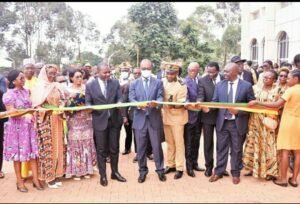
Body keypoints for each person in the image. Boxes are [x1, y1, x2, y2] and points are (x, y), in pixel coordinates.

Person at [248, 69, 300, 188]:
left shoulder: (290, 90)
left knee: (285, 152)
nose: (287, 80)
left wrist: (258, 102)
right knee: (298, 153)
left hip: (288, 122)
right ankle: (294, 180)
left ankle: (282, 179)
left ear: (296, 79)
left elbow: (277, 104)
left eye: (289, 78)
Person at [208, 62, 255, 185]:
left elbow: (252, 106)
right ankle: (218, 172)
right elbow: (214, 102)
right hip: (222, 123)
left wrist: (238, 111)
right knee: (221, 148)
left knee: (236, 149)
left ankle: (235, 173)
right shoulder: (219, 85)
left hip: (237, 123)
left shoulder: (247, 86)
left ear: (235, 72)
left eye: (227, 72)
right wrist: (206, 107)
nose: (224, 74)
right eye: (224, 71)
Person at [85, 63, 126, 187]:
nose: (108, 74)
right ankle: (103, 175)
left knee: (114, 149)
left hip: (114, 121)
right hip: (99, 121)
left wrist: (119, 102)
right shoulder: (90, 85)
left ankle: (115, 172)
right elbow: (88, 101)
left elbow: (120, 97)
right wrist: (88, 107)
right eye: (105, 72)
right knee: (101, 150)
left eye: (109, 72)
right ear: (98, 72)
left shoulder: (115, 83)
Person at [3, 70, 43, 192]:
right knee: (18, 156)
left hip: (29, 127)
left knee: (33, 154)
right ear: (13, 81)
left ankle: (36, 180)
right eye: (20, 78)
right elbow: (12, 112)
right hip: (16, 129)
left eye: (23, 77)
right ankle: (19, 182)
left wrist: (35, 109)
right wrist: (26, 114)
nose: (23, 79)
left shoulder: (26, 91)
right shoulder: (8, 95)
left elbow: (30, 106)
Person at [129, 59, 166, 183]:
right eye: (143, 68)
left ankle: (160, 170)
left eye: (148, 68)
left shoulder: (158, 82)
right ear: (140, 69)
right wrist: (139, 105)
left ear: (152, 69)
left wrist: (156, 104)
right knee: (141, 148)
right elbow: (131, 99)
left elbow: (161, 96)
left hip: (154, 119)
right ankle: (142, 172)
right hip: (140, 120)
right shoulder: (134, 84)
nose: (146, 71)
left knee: (157, 147)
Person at [31, 64, 67, 189]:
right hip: (45, 121)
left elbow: (64, 99)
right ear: (45, 73)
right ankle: (48, 177)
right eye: (50, 73)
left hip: (58, 120)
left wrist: (62, 106)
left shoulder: (57, 86)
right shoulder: (40, 86)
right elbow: (35, 105)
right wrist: (45, 111)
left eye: (55, 73)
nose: (52, 75)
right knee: (48, 149)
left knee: (59, 147)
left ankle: (57, 174)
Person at [243, 70, 279, 180]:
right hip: (254, 121)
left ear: (274, 80)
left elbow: (277, 106)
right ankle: (252, 168)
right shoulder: (255, 88)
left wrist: (258, 103)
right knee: (252, 143)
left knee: (268, 146)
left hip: (268, 122)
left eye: (268, 78)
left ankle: (269, 171)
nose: (265, 79)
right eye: (264, 77)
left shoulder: (277, 91)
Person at [65, 69, 96, 181]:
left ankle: (87, 169)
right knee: (75, 144)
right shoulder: (67, 90)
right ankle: (76, 170)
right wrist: (72, 104)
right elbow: (65, 107)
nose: (79, 79)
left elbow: (92, 102)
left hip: (86, 119)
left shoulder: (87, 88)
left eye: (81, 76)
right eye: (77, 77)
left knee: (87, 143)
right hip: (74, 121)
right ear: (71, 78)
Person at [162, 62, 188, 180]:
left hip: (177, 118)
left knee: (178, 144)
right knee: (169, 143)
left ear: (177, 73)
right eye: (168, 73)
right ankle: (170, 164)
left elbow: (182, 104)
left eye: (172, 74)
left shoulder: (181, 85)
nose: (170, 76)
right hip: (166, 117)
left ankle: (179, 167)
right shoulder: (163, 82)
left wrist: (173, 105)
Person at [198, 61, 224, 177]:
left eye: (213, 72)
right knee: (208, 143)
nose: (210, 74)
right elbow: (200, 95)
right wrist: (200, 103)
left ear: (218, 71)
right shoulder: (203, 80)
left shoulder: (225, 78)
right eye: (208, 72)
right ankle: (209, 167)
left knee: (221, 144)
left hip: (222, 116)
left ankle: (220, 168)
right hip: (207, 116)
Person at [183, 62, 205, 178]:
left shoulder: (201, 80)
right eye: (191, 70)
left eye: (195, 70)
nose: (193, 72)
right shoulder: (184, 82)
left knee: (197, 141)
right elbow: (185, 99)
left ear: (198, 70)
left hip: (200, 118)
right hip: (189, 117)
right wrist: (192, 105)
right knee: (189, 143)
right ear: (187, 70)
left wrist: (200, 102)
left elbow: (202, 94)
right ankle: (189, 167)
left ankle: (195, 163)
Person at [22, 63, 38, 179]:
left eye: (32, 68)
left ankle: (36, 171)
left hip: (37, 116)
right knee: (25, 144)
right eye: (28, 68)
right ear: (23, 70)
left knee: (35, 144)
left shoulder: (38, 82)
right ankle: (24, 172)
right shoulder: (21, 82)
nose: (30, 70)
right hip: (23, 118)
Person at [119, 62, 134, 155]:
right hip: (117, 111)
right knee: (118, 132)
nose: (124, 72)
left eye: (126, 70)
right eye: (122, 70)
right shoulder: (117, 81)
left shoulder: (131, 82)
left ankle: (128, 148)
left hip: (128, 110)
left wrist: (125, 115)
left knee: (130, 131)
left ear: (129, 71)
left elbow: (126, 100)